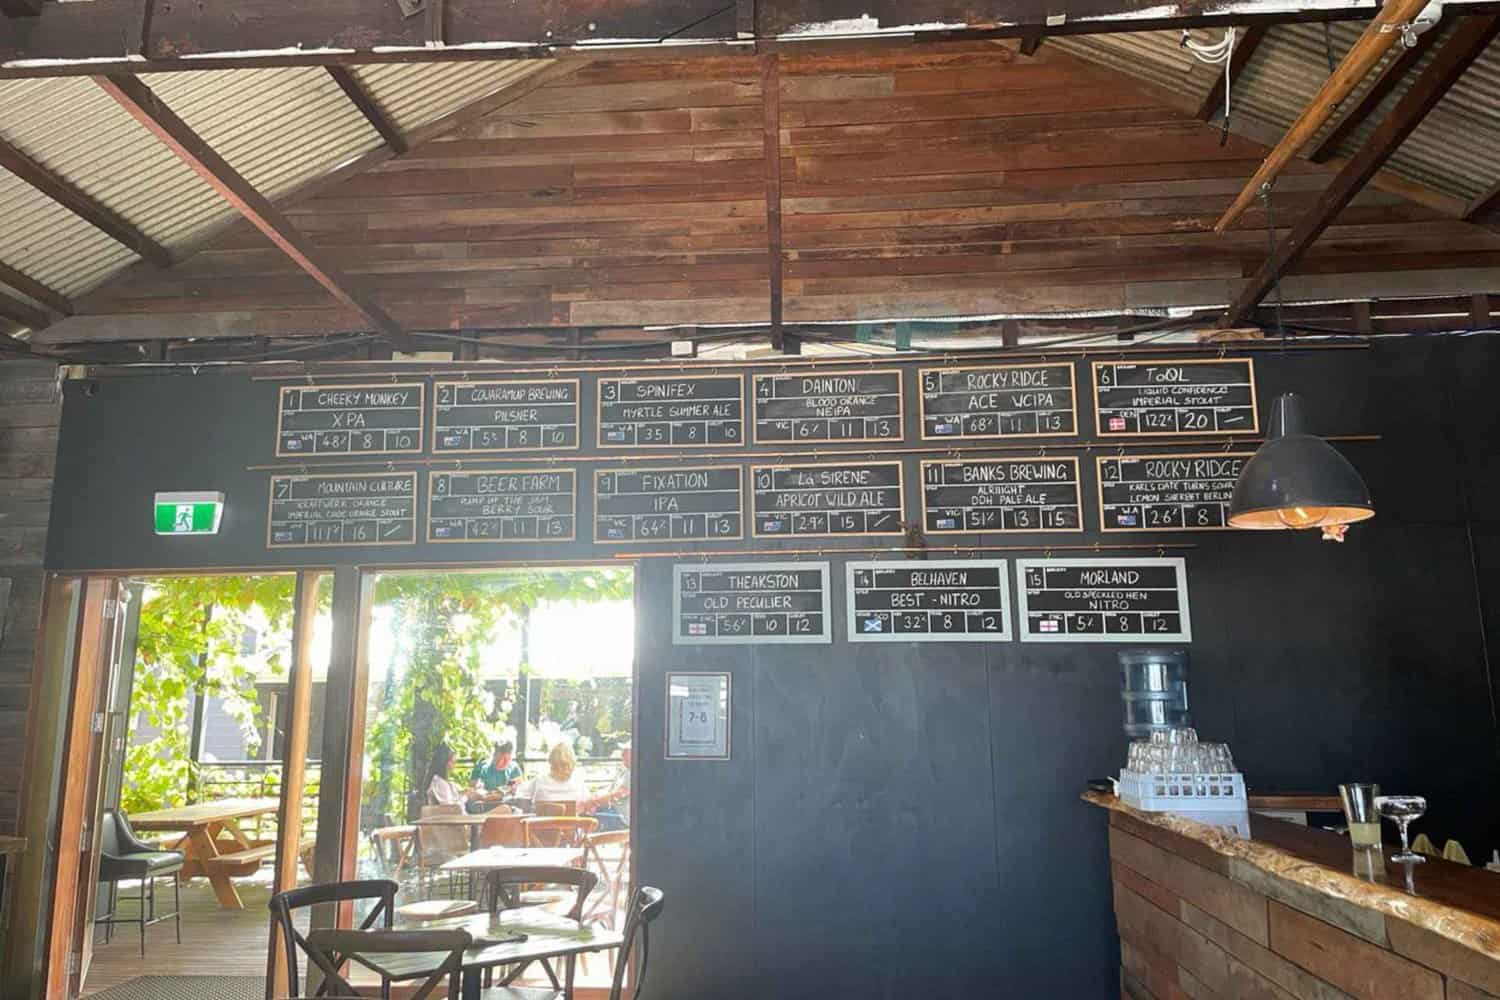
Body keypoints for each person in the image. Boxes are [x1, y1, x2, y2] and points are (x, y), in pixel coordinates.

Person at [525, 741, 589, 809]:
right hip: (546, 818)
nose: (562, 770)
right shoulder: (539, 781)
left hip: (572, 818)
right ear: (552, 765)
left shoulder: (578, 782)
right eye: (558, 765)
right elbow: (524, 801)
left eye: (565, 765)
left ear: (572, 765)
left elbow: (587, 805)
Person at [586, 742, 631, 832]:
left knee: (586, 817)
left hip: (621, 817)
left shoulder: (633, 773)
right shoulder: (624, 771)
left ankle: (586, 843)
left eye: (626, 751)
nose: (622, 754)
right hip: (613, 811)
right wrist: (595, 796)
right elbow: (610, 790)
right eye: (623, 751)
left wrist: (595, 802)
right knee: (586, 810)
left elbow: (618, 795)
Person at [426, 743, 468, 810]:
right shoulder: (439, 782)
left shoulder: (441, 781)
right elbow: (449, 808)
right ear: (445, 762)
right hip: (449, 818)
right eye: (453, 762)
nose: (454, 765)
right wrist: (465, 796)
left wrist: (462, 793)